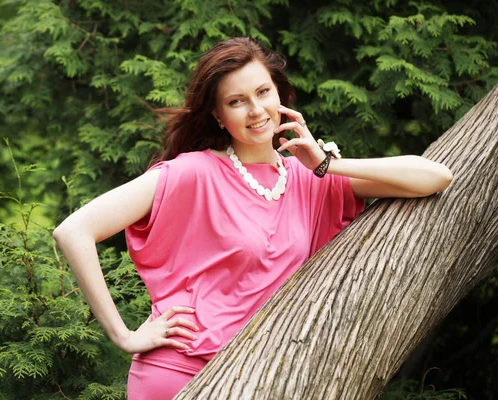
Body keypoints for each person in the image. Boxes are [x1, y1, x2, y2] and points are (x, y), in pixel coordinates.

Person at [52, 37, 453, 400]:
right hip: (181, 373)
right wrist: (123, 336)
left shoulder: (310, 179)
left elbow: (434, 177)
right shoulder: (192, 173)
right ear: (217, 115)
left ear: (280, 94)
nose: (256, 110)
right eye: (236, 100)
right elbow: (73, 231)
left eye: (263, 92)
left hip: (264, 376)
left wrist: (327, 163)